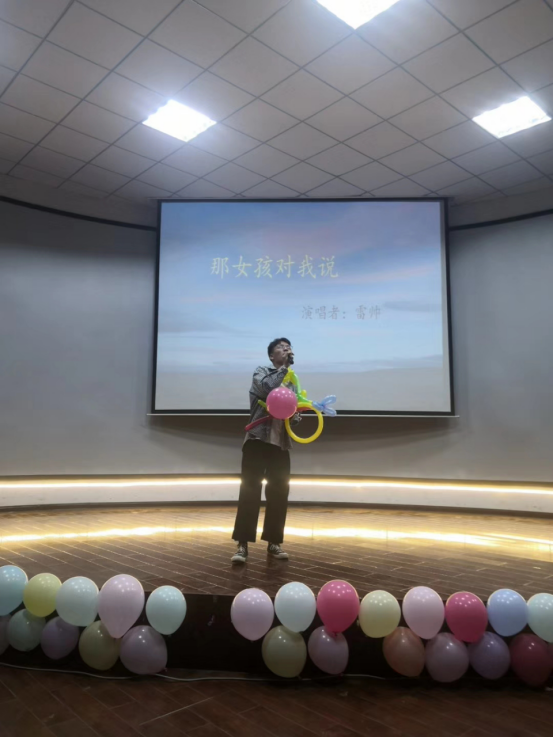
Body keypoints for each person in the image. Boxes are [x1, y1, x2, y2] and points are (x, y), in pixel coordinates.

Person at [231, 338, 299, 564]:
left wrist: (296, 416)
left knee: (279, 493)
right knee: (250, 491)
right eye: (281, 347)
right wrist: (284, 369)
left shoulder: (292, 381)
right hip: (257, 440)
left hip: (280, 444)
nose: (286, 348)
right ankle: (242, 544)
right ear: (271, 355)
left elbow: (290, 412)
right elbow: (268, 389)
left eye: (288, 346)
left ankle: (274, 542)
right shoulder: (261, 372)